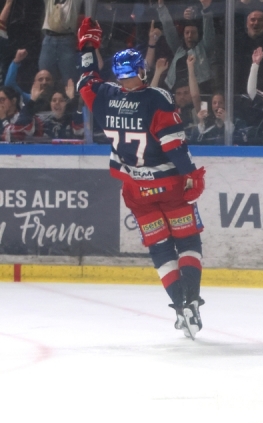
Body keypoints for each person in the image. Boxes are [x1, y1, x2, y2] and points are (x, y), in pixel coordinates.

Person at [76, 18, 207, 339]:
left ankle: (179, 307)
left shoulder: (103, 96)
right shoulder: (156, 98)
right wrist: (189, 172)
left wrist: (88, 47)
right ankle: (191, 301)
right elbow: (174, 145)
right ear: (142, 72)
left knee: (161, 248)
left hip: (136, 190)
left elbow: (85, 79)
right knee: (188, 242)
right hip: (171, 186)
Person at [155, 0, 217, 92]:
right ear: (183, 35)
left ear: (198, 35)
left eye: (193, 32)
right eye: (187, 32)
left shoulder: (204, 49)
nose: (189, 35)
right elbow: (169, 29)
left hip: (199, 90)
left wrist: (206, 9)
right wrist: (161, 6)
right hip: (176, 91)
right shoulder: (178, 49)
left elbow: (208, 31)